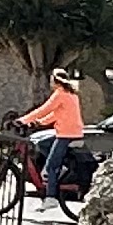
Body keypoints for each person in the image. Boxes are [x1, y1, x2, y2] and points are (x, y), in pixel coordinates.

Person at [20, 66, 92, 204]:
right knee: (42, 143)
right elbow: (56, 114)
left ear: (55, 81)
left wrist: (23, 120)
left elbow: (44, 109)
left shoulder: (60, 94)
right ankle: (61, 164)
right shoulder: (72, 94)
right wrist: (39, 122)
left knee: (51, 166)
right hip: (74, 132)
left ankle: (51, 197)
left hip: (66, 134)